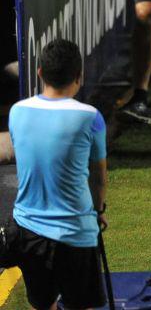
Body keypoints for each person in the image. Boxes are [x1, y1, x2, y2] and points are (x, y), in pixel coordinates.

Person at [9, 39, 108, 310]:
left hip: (28, 231)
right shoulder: (91, 118)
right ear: (79, 76)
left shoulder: (17, 112)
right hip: (75, 233)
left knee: (43, 304)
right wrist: (99, 210)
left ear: (39, 72)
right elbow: (98, 177)